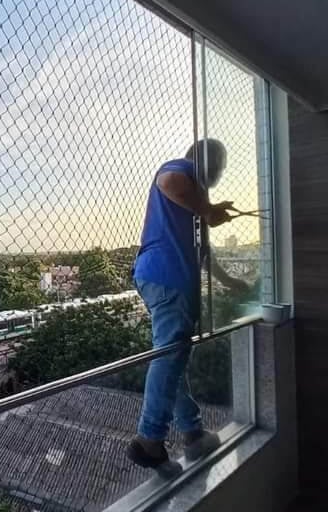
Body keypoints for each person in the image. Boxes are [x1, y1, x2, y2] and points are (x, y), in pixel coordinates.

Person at [127, 138, 248, 476]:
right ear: (206, 160)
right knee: (169, 356)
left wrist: (229, 281)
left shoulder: (194, 196)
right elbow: (168, 180)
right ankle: (149, 440)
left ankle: (192, 430)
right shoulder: (184, 170)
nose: (220, 173)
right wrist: (208, 210)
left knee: (173, 357)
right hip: (170, 277)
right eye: (219, 165)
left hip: (160, 276)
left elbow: (202, 250)